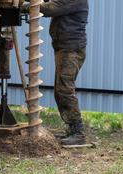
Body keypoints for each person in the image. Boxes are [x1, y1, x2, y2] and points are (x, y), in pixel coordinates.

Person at [23, 0, 89, 145]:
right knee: (60, 91)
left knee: (65, 90)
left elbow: (51, 8)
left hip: (71, 50)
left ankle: (78, 133)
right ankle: (72, 130)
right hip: (64, 48)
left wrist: (27, 6)